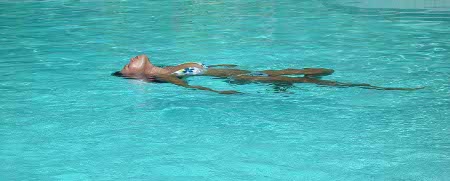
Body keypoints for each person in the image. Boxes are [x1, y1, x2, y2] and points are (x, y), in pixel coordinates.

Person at [112, 54, 422, 94]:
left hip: (244, 70)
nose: (129, 60)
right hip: (236, 79)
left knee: (308, 72)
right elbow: (190, 86)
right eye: (127, 66)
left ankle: (288, 83)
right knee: (315, 78)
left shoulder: (167, 64)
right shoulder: (166, 76)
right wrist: (220, 92)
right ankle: (374, 88)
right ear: (138, 77)